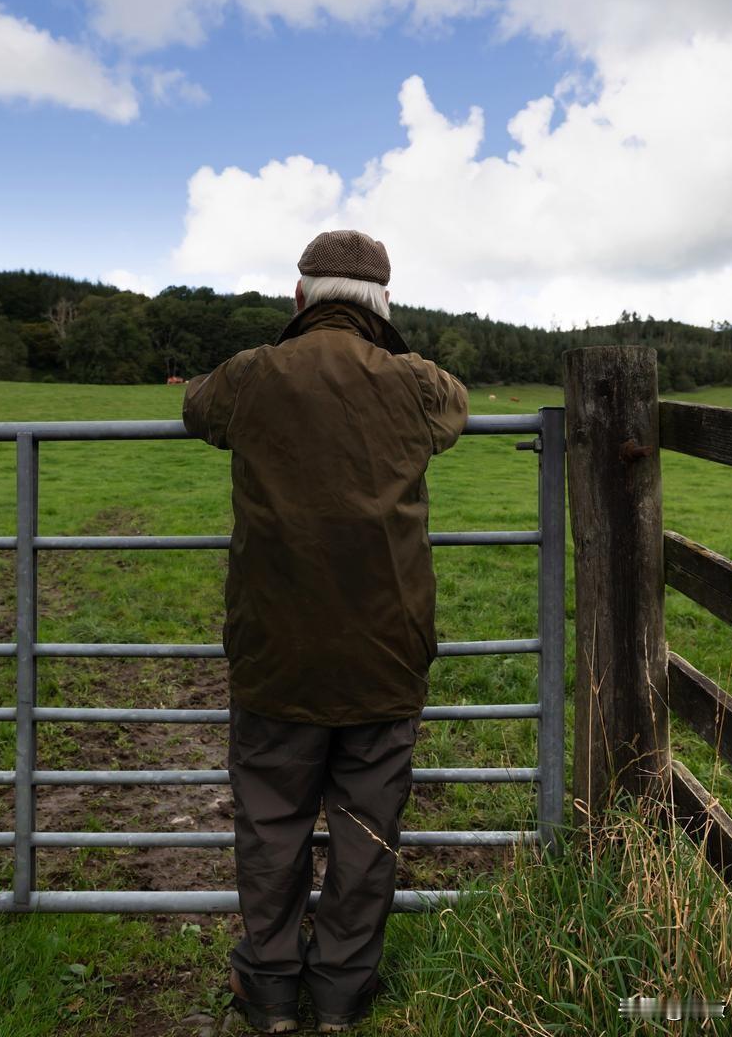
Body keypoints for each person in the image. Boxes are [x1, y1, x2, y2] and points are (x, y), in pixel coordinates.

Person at [182, 230, 468, 1033]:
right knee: (367, 828)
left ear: (300, 296)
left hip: (275, 651)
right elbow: (456, 404)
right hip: (386, 651)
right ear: (384, 304)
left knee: (271, 819)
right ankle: (343, 991)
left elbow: (195, 405)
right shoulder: (416, 382)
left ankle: (270, 988)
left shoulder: (251, 375)